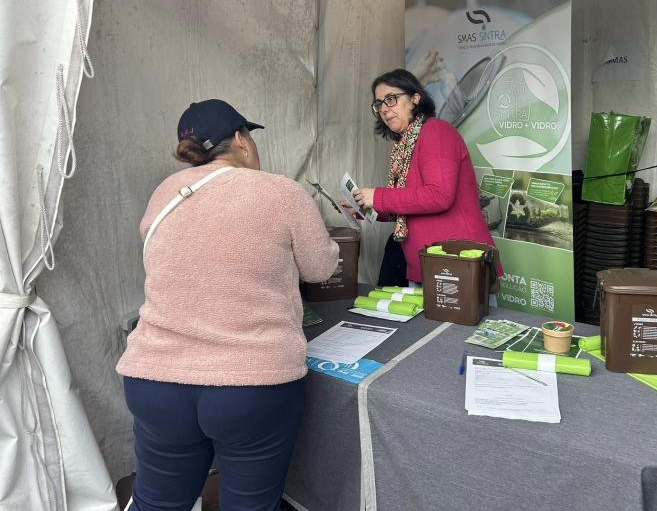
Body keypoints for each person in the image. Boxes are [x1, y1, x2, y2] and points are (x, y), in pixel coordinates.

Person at [116, 99, 339, 511]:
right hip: (250, 383)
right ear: (240, 140)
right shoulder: (281, 192)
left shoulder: (165, 193)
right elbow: (320, 267)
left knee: (157, 503)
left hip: (155, 379)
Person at [348, 69, 502, 287]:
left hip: (459, 263)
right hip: (428, 265)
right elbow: (411, 202)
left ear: (415, 98)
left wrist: (379, 196)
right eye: (379, 103)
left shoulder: (436, 132)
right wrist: (364, 208)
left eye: (391, 99)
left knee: (459, 323)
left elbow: (439, 196)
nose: (384, 108)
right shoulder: (405, 145)